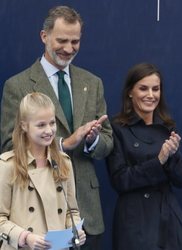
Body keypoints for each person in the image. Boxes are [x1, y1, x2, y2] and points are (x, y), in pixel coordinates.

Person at [0, 6, 113, 250]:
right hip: (37, 223)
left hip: (85, 218)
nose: (69, 48)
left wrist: (92, 140)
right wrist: (63, 144)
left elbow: (107, 142)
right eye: (62, 40)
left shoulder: (92, 83)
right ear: (44, 36)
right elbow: (9, 145)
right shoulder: (17, 85)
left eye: (75, 41)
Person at [106, 63, 182, 250]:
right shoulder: (117, 128)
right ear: (130, 92)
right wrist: (158, 160)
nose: (151, 95)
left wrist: (172, 157)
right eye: (143, 88)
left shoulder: (168, 127)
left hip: (167, 218)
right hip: (135, 221)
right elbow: (120, 180)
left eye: (156, 89)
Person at [0, 92, 86, 250]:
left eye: (52, 123)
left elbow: (71, 211)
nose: (49, 130)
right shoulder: (7, 165)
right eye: (41, 125)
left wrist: (76, 230)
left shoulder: (63, 162)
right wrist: (25, 237)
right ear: (24, 126)